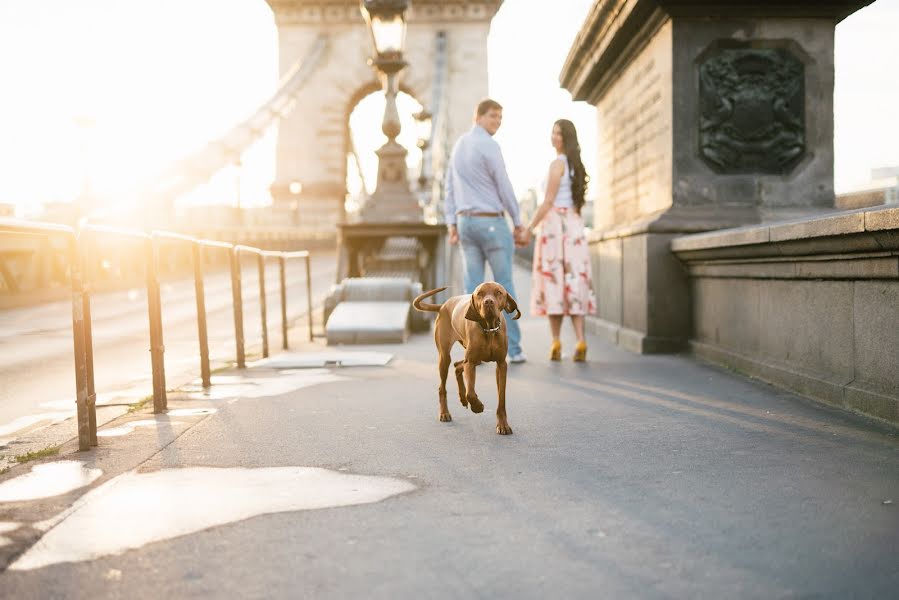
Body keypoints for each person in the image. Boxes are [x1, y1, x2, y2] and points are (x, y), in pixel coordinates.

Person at [444, 98, 527, 363]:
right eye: (493, 117)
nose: (497, 123)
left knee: (475, 291)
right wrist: (518, 221)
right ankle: (512, 349)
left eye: (500, 118)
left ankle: (475, 350)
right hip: (491, 222)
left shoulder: (458, 146)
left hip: (466, 224)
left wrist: (452, 223)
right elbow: (503, 185)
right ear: (478, 117)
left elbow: (449, 188)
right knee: (503, 288)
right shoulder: (490, 146)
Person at [520, 119, 596, 362]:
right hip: (574, 228)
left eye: (558, 134)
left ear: (566, 138)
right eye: (553, 132)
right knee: (574, 284)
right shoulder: (577, 166)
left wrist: (529, 228)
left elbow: (548, 201)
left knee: (554, 283)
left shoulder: (557, 164)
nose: (553, 137)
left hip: (554, 228)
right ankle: (581, 341)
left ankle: (556, 342)